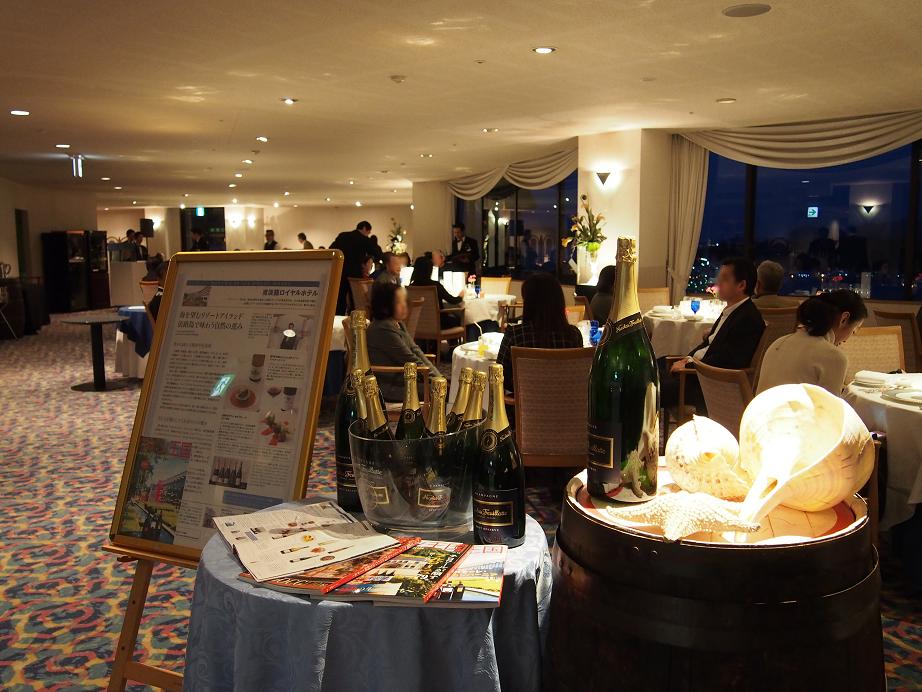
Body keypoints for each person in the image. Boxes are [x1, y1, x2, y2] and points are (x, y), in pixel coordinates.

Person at [660, 257, 765, 412]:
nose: (718, 283)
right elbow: (709, 345)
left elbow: (726, 361)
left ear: (741, 285)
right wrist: (687, 358)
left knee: (648, 388)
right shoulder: (733, 311)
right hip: (697, 372)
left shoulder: (747, 318)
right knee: (653, 365)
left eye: (725, 279)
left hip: (706, 384)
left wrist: (688, 366)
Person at [757, 290, 867, 395]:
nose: (846, 340)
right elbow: (829, 406)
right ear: (844, 319)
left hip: (758, 408)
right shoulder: (834, 356)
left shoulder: (779, 342)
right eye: (854, 330)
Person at [496, 273, 583, 391]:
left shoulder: (515, 335)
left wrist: (527, 388)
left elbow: (499, 376)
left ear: (528, 302)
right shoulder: (573, 335)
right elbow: (578, 375)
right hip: (566, 401)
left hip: (524, 402)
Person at [365, 282, 436, 402]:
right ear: (386, 305)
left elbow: (415, 351)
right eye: (398, 302)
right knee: (441, 391)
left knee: (443, 387)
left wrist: (438, 377)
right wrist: (437, 380)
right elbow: (409, 358)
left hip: (405, 379)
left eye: (404, 300)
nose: (404, 305)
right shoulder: (383, 328)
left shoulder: (397, 323)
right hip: (389, 388)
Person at [330, 221, 384, 314]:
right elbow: (378, 254)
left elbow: (331, 250)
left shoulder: (342, 236)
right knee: (355, 300)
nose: (368, 234)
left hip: (340, 272)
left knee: (340, 300)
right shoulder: (364, 239)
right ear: (364, 228)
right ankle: (354, 319)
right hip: (355, 275)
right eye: (368, 232)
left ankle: (338, 318)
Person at [409, 255, 462, 327]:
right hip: (438, 323)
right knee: (461, 319)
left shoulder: (411, 287)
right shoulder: (435, 285)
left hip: (418, 324)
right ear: (430, 270)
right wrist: (460, 296)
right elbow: (453, 301)